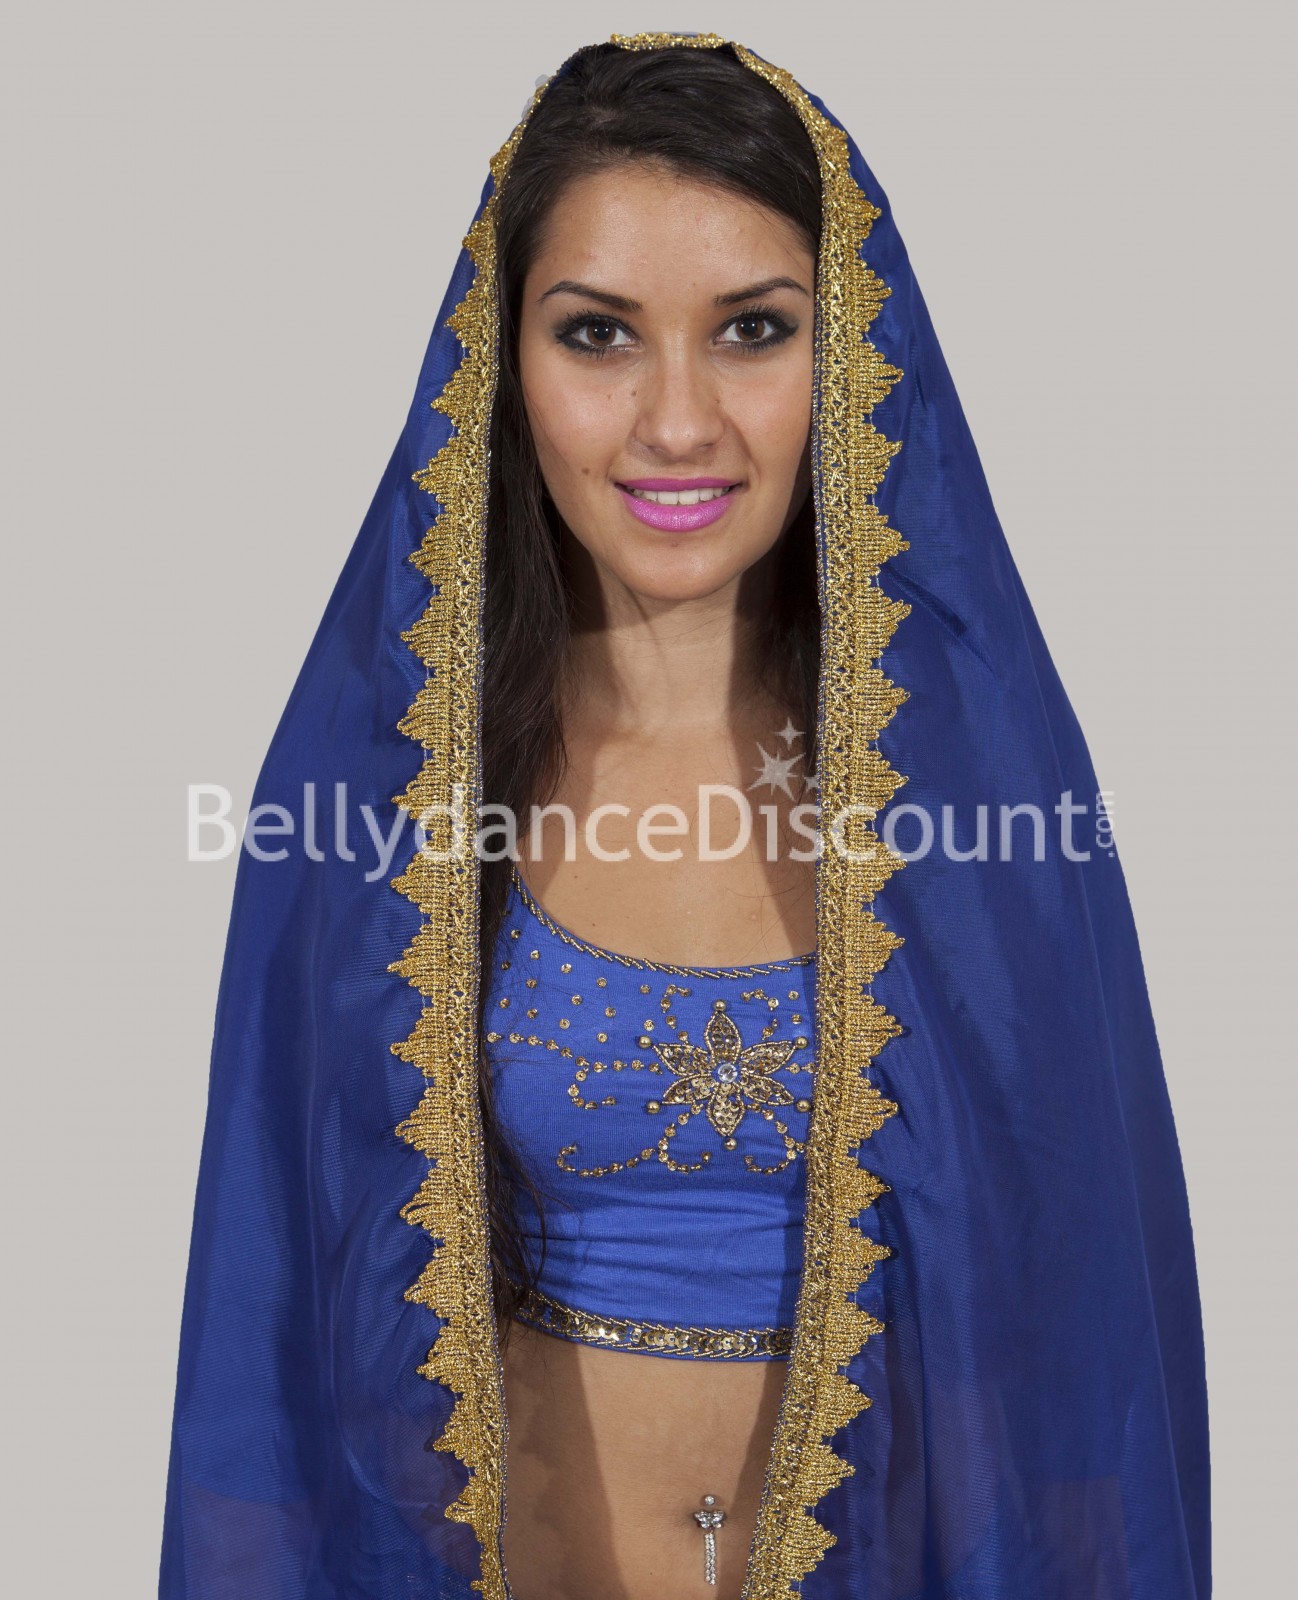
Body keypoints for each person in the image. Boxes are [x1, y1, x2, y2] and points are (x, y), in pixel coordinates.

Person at [157, 33, 1211, 1600]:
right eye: (597, 334)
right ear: (497, 365)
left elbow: (1078, 1370)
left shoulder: (989, 820)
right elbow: (273, 1362)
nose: (675, 422)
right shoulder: (378, 814)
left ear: (853, 360)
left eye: (750, 331)